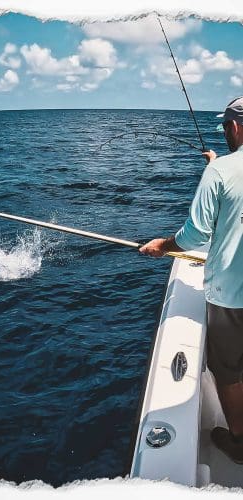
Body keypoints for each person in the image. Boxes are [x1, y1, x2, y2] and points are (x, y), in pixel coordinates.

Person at [139, 96, 243, 464]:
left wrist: (162, 247)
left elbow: (195, 236)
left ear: (234, 127)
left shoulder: (220, 172)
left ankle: (239, 443)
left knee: (229, 371)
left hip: (231, 296)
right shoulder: (223, 167)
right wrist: (220, 163)